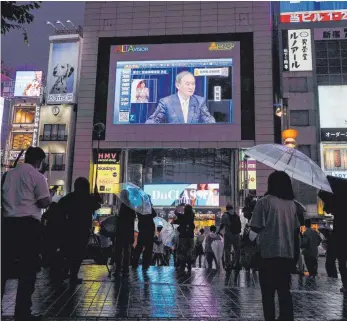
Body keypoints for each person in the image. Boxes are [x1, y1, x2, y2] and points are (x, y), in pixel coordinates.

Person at [1, 146, 51, 321]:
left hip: (7, 225)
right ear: (39, 161)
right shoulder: (38, 177)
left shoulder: (7, 175)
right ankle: (22, 313)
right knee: (27, 271)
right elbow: (44, 202)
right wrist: (49, 196)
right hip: (29, 227)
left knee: (4, 268)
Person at [250, 171, 300, 321]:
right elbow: (295, 231)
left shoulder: (263, 202)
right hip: (287, 254)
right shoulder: (292, 205)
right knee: (284, 291)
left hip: (268, 254)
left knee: (268, 294)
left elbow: (255, 227)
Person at [58, 177, 101, 284]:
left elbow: (60, 207)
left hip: (69, 229)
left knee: (69, 252)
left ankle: (64, 272)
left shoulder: (69, 197)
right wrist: (96, 196)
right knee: (79, 254)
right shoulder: (88, 198)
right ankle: (73, 275)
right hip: (83, 229)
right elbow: (97, 205)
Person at [145, 71, 216, 124]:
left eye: (193, 84)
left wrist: (211, 122)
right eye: (187, 84)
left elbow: (208, 119)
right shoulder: (166, 102)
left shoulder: (199, 101)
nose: (191, 87)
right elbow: (153, 120)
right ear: (177, 85)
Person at [114, 190, 137, 277]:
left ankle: (119, 268)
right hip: (128, 231)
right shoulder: (131, 205)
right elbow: (132, 217)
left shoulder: (125, 205)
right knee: (126, 250)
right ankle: (125, 269)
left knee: (119, 250)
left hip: (122, 231)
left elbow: (124, 218)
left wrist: (119, 218)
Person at [217, 203, 241, 271]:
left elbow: (222, 224)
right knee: (237, 250)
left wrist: (218, 231)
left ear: (226, 208)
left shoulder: (225, 215)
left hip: (229, 234)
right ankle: (237, 263)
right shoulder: (236, 215)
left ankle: (228, 264)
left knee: (227, 249)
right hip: (237, 234)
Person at [174, 204, 195, 273]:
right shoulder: (192, 216)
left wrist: (178, 206)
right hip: (191, 237)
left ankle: (182, 265)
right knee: (189, 251)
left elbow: (175, 213)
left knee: (182, 251)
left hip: (183, 237)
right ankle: (189, 265)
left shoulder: (182, 217)